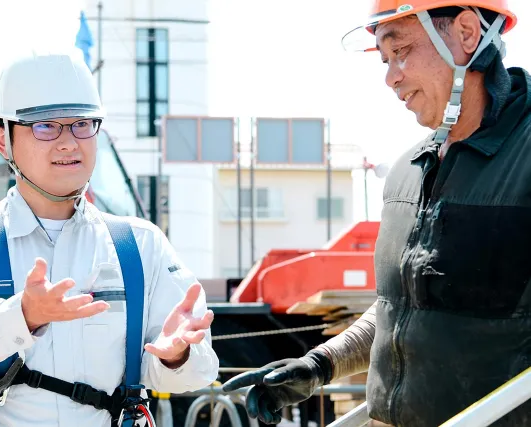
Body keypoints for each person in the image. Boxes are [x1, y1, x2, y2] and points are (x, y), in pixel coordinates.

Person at [223, 1, 531, 425]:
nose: (390, 78)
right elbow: (399, 309)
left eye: (401, 51)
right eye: (385, 60)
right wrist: (319, 366)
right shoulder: (407, 174)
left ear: (465, 33)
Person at [0, 50, 219, 427]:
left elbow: (196, 374)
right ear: (3, 139)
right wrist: (22, 317)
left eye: (82, 123)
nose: (69, 142)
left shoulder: (140, 246)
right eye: (45, 126)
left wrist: (175, 355)